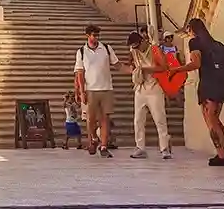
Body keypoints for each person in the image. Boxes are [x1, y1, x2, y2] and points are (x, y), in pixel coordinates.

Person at [173, 18, 224, 166]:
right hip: (222, 83)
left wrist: (177, 69)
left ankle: (221, 155)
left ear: (191, 29)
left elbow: (196, 63)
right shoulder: (216, 44)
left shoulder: (194, 42)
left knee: (210, 121)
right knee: (216, 119)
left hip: (208, 84)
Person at [124, 31, 172, 159]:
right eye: (134, 47)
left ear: (143, 41)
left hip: (155, 88)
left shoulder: (154, 49)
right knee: (138, 120)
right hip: (140, 89)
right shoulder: (134, 51)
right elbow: (131, 64)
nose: (136, 49)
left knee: (159, 119)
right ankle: (140, 147)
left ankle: (164, 148)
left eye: (137, 46)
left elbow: (164, 67)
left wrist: (146, 69)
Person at [73, 25, 119, 156]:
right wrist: (81, 92)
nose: (96, 38)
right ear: (88, 35)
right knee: (91, 119)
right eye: (94, 35)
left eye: (98, 35)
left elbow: (116, 64)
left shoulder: (106, 48)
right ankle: (93, 138)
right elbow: (79, 73)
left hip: (106, 88)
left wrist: (131, 69)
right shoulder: (81, 52)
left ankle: (103, 146)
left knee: (105, 118)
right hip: (91, 89)